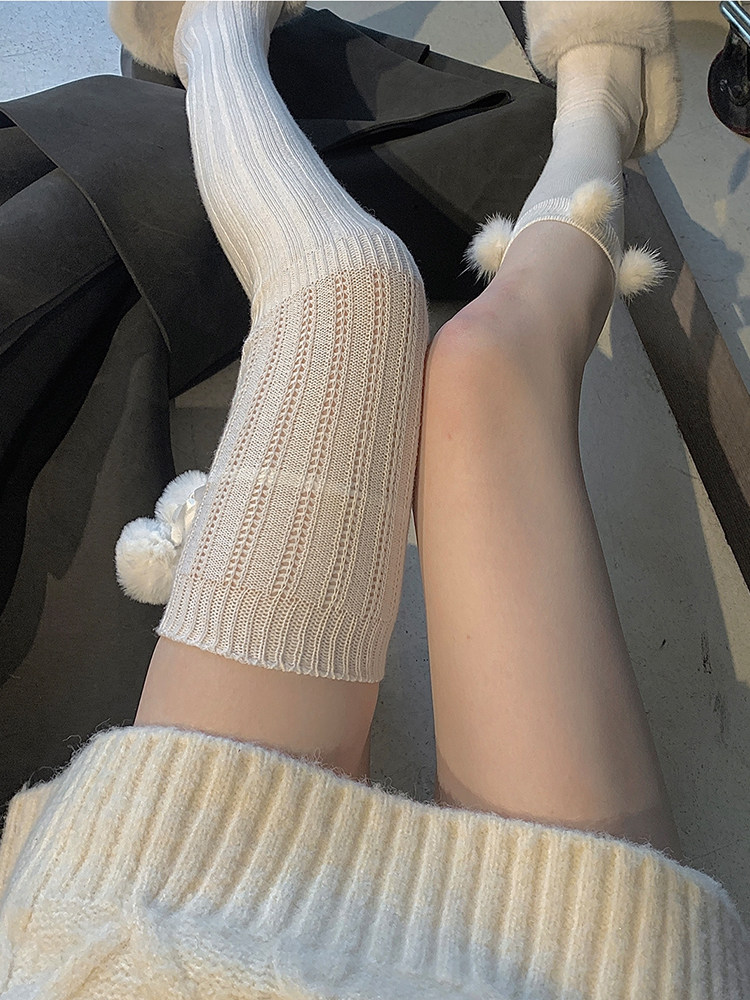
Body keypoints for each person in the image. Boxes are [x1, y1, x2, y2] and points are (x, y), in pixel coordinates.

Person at [0, 2, 748, 997]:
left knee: (352, 289)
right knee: (488, 373)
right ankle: (602, 110)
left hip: (146, 929)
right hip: (560, 974)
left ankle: (212, 30)